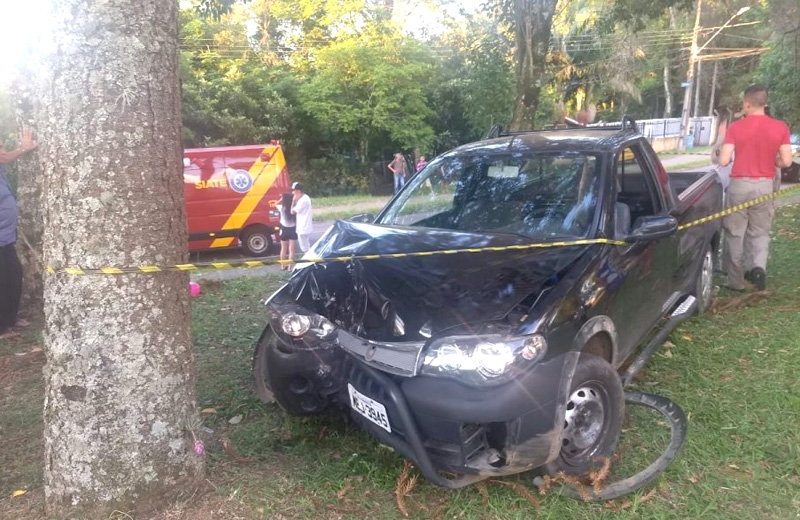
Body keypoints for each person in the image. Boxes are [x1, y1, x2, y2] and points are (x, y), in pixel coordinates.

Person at [717, 84, 793, 292]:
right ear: (765, 102)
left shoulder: (736, 128)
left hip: (740, 185)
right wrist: (774, 160)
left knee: (734, 232)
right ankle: (757, 269)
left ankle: (735, 280)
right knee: (759, 231)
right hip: (765, 186)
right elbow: (786, 162)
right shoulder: (780, 127)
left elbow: (724, 161)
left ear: (747, 103)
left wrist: (721, 150)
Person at [0, 127, 37, 340]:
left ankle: (11, 317)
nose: (3, 152)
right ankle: (1, 328)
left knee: (14, 276)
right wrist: (23, 148)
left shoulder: (1, 170)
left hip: (6, 239)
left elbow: (6, 158)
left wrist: (23, 149)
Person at [275, 191, 297, 271]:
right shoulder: (294, 208)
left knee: (283, 248)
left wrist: (281, 199)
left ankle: (282, 266)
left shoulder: (282, 208)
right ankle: (290, 267)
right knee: (291, 249)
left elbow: (275, 203)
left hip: (284, 229)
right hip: (292, 229)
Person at [290, 182, 313, 252]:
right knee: (306, 246)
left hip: (303, 227)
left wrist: (293, 201)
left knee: (305, 248)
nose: (292, 192)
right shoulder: (305, 198)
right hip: (304, 226)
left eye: (293, 190)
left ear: (298, 191)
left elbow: (292, 212)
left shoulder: (303, 200)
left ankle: (309, 261)